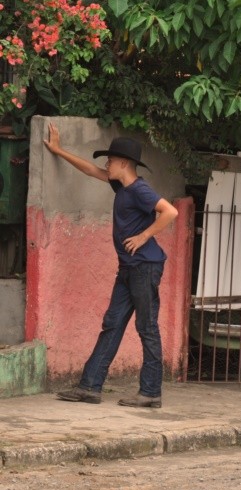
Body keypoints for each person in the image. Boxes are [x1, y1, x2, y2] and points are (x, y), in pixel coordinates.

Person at [43, 123, 178, 408]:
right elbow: (90, 170)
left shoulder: (140, 190)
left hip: (144, 267)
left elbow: (170, 211)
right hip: (129, 268)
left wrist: (143, 236)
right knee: (112, 324)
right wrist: (58, 150)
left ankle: (151, 392)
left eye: (111, 160)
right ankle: (90, 387)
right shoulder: (121, 186)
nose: (107, 163)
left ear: (124, 163)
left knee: (147, 328)